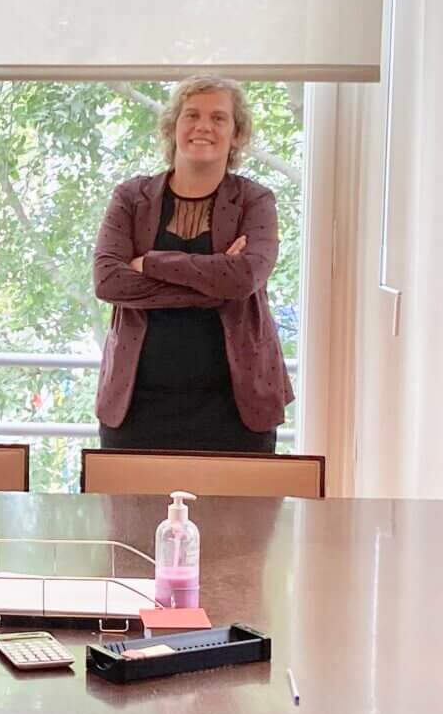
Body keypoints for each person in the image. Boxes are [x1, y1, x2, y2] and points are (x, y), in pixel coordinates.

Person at [91, 77, 293, 453]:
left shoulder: (255, 201)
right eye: (192, 115)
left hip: (237, 410)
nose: (203, 126)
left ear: (237, 134)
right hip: (136, 409)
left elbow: (243, 279)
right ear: (173, 126)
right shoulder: (131, 198)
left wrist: (149, 263)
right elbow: (108, 282)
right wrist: (214, 281)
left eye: (218, 118)